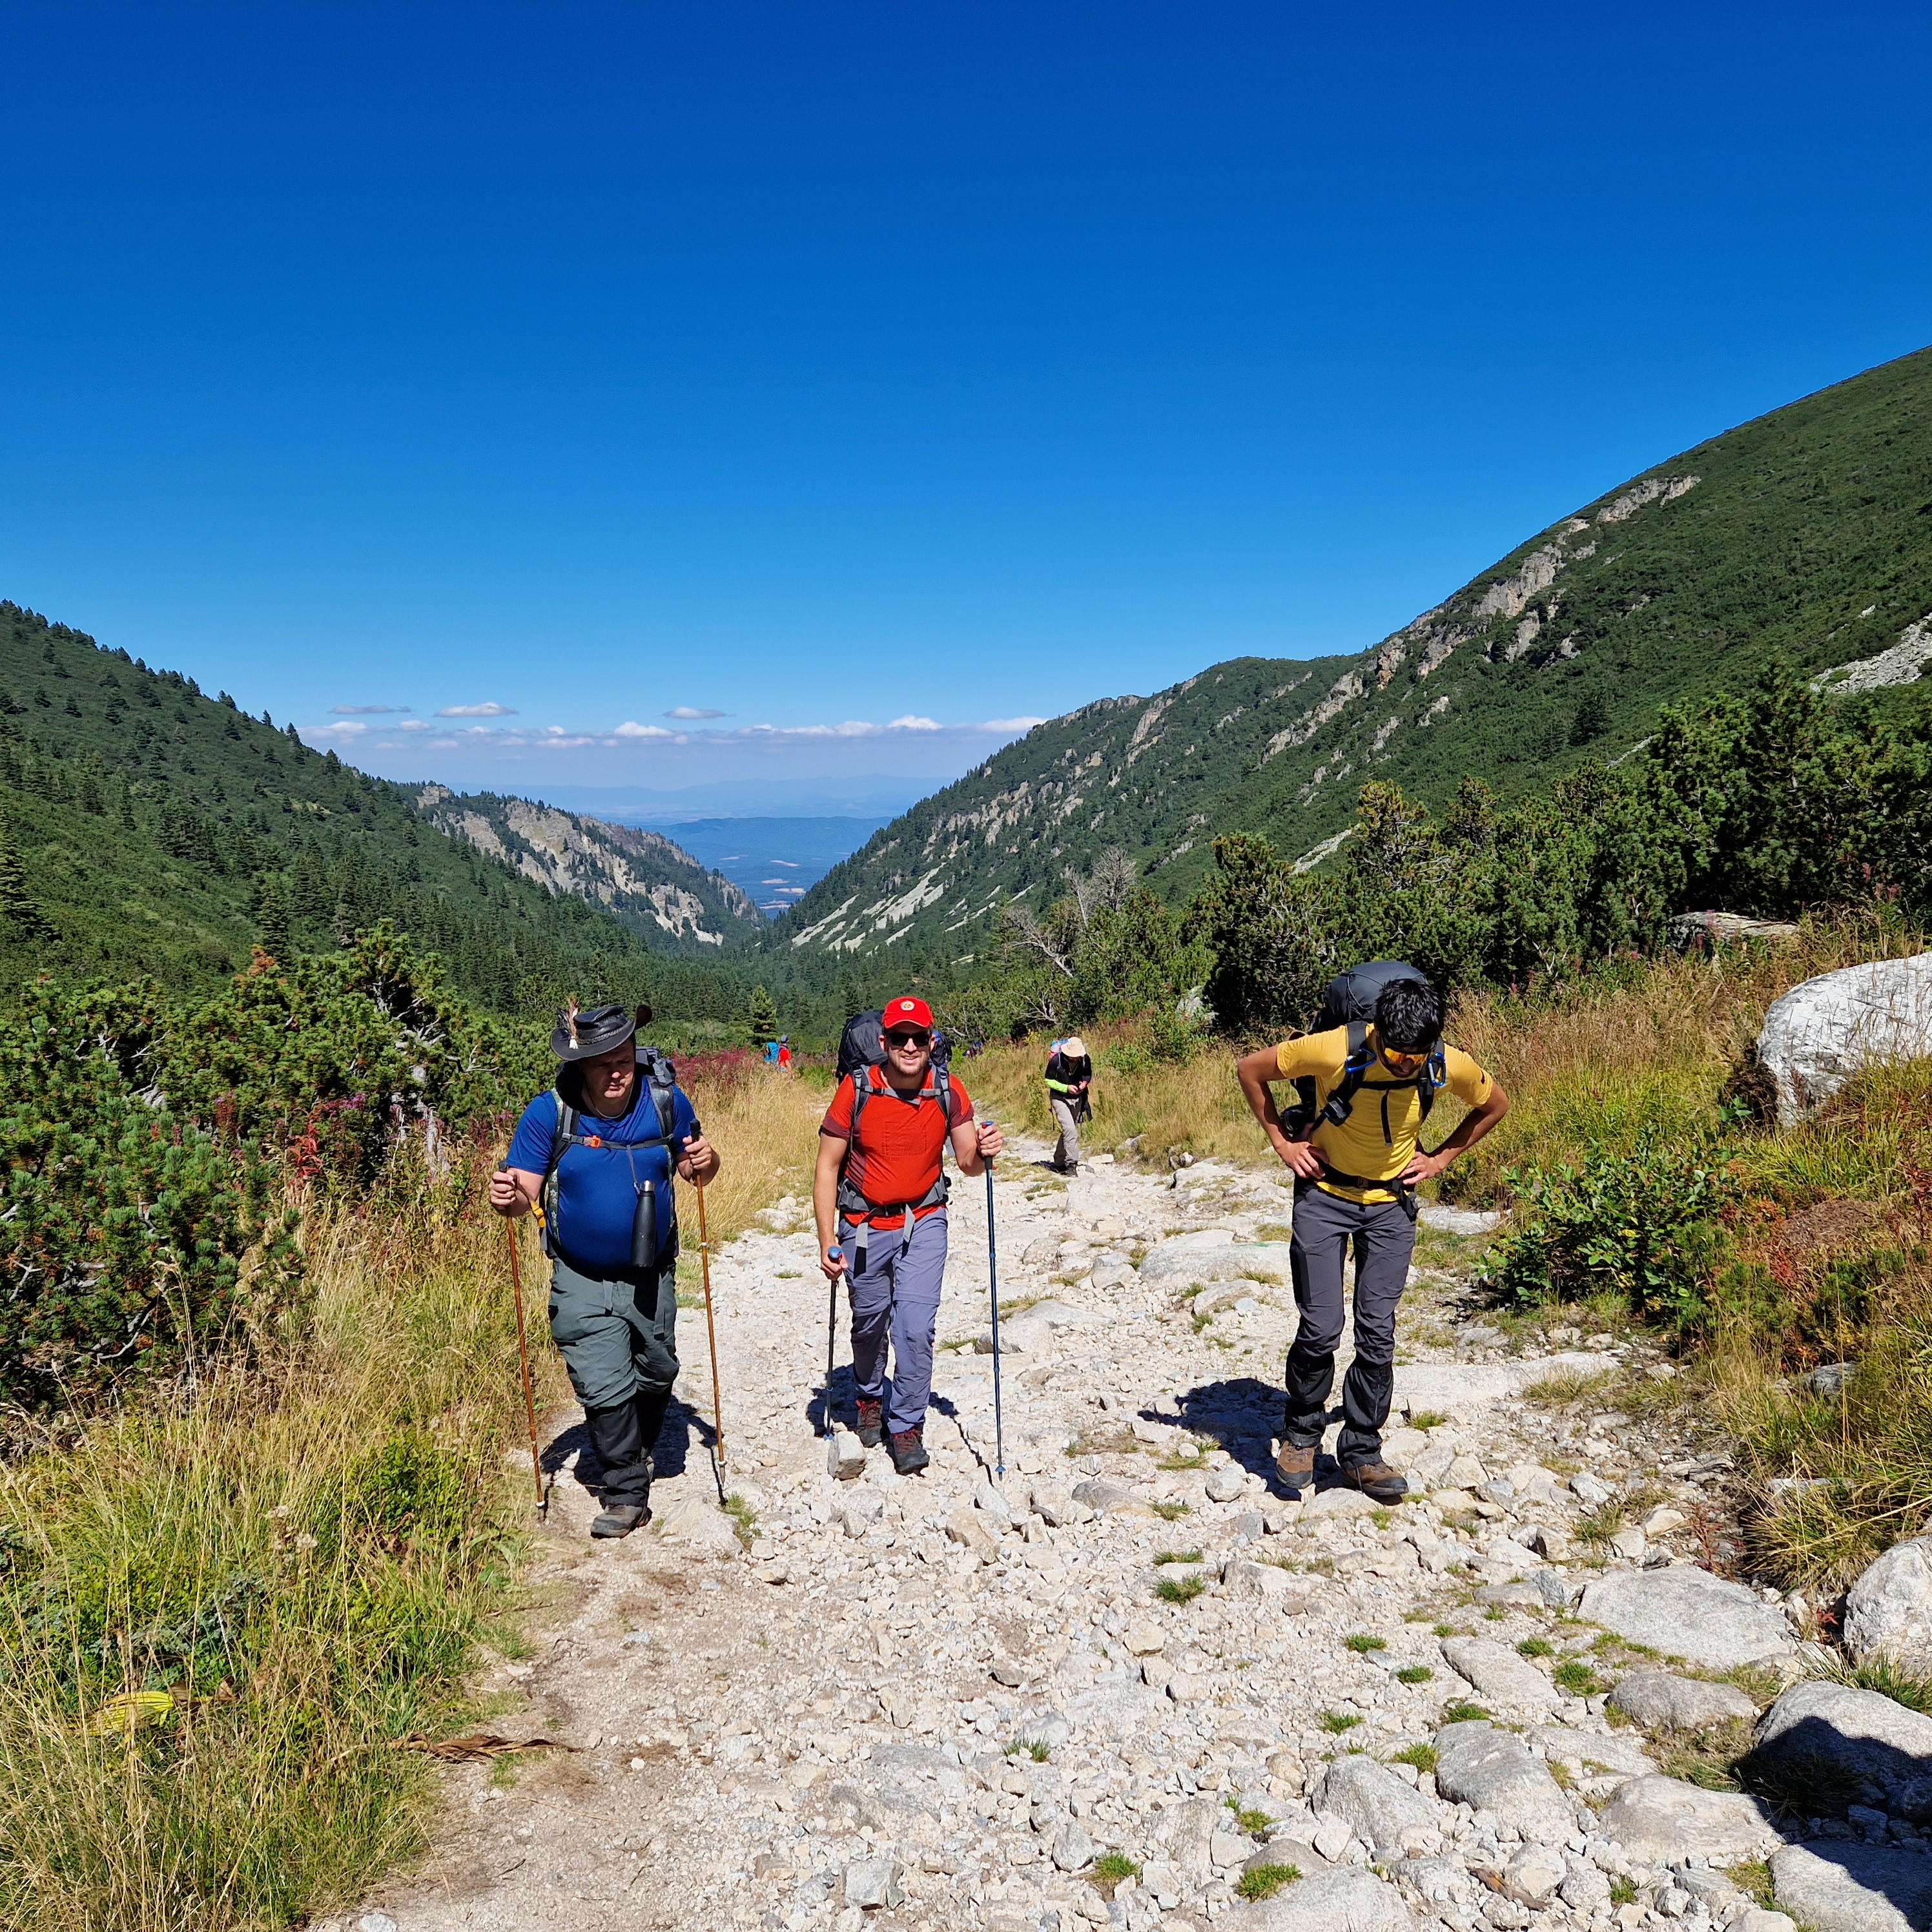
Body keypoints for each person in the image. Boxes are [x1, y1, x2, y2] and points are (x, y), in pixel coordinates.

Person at [1235, 974, 1508, 1505]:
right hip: (1325, 1196)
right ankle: (1301, 1437)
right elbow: (1250, 1069)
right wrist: (1282, 1144)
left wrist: (1441, 1158)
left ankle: (1361, 1451)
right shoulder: (1334, 1048)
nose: (1405, 1064)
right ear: (1376, 1029)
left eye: (1416, 1056)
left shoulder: (1443, 1061)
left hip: (1391, 1207)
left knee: (1377, 1332)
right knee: (1320, 1327)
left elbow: (1494, 1105)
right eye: (1396, 1053)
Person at [491, 1003, 721, 1539]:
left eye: (623, 1059)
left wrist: (704, 1163)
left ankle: (636, 1448)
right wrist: (507, 1200)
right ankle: (625, 1492)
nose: (617, 1072)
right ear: (579, 1066)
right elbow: (523, 1192)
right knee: (601, 1382)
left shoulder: (666, 1100)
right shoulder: (550, 1113)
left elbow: (695, 1168)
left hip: (653, 1270)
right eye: (602, 1064)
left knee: (657, 1369)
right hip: (580, 1274)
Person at [814, 994, 1003, 1473]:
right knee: (869, 1322)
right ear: (885, 1042)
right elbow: (827, 1167)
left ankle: (907, 1426)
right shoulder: (856, 1090)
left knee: (915, 1329)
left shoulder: (947, 1089)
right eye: (900, 1037)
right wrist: (825, 1241)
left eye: (919, 1037)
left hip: (925, 1219)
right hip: (861, 1227)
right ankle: (869, 1394)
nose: (910, 1045)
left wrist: (985, 1150)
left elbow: (967, 1163)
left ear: (931, 1040)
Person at [1043, 1036, 1093, 1175]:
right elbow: (1048, 1081)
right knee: (1070, 1130)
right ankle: (1071, 1165)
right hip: (1059, 1098)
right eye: (1073, 1056)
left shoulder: (1085, 1059)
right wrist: (1066, 1088)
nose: (1075, 1058)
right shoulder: (1056, 1061)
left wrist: (1084, 1083)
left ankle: (1058, 1162)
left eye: (1077, 1056)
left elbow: (1088, 1075)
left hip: (1078, 1098)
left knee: (1069, 1130)